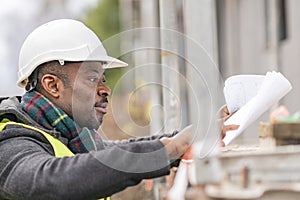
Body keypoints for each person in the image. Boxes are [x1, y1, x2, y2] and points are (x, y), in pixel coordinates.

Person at [0, 19, 234, 200]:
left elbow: (115, 151)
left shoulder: (69, 137)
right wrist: (171, 147)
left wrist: (184, 138)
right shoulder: (11, 143)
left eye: (103, 79)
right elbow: (52, 180)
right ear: (53, 85)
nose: (105, 90)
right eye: (92, 79)